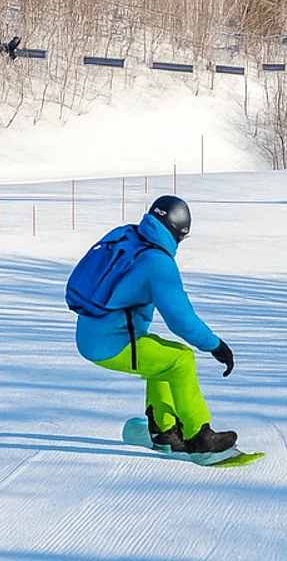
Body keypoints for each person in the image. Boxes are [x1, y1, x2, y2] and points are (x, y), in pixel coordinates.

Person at [67, 195, 237, 455]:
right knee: (181, 361)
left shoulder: (126, 235)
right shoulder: (158, 264)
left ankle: (164, 431)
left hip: (89, 332)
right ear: (178, 233)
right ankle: (199, 437)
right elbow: (181, 319)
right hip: (111, 343)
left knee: (164, 358)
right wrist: (214, 345)